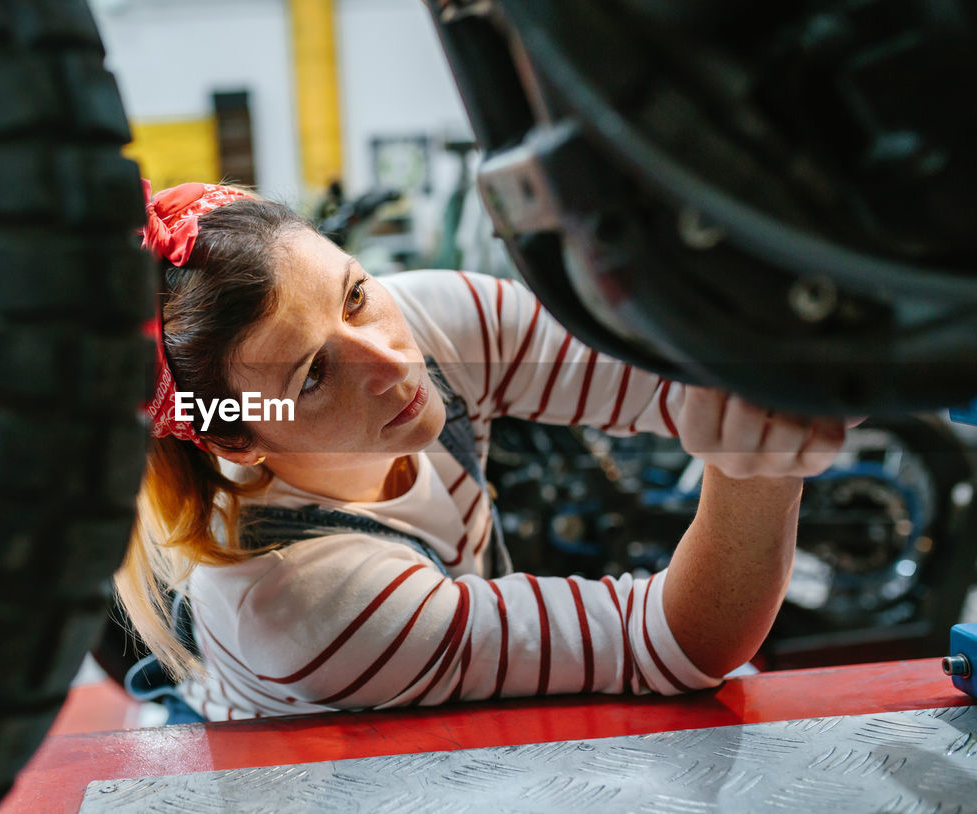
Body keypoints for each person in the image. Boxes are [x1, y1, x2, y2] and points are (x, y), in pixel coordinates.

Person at [115, 180, 850, 723]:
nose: (392, 364)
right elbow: (673, 643)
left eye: (355, 294)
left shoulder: (429, 319)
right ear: (234, 434)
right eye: (313, 376)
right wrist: (760, 468)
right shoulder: (295, 599)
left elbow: (664, 381)